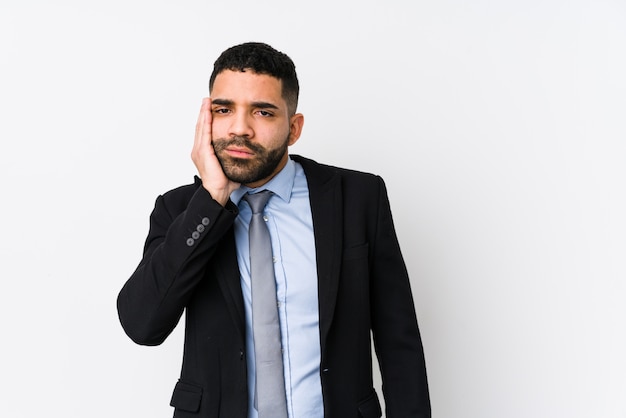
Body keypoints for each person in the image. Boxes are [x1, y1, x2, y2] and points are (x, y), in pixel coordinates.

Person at [117, 42, 431, 418]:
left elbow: (399, 342)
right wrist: (213, 197)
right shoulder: (180, 210)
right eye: (223, 109)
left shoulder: (358, 198)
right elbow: (142, 324)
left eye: (263, 112)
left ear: (293, 128)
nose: (239, 129)